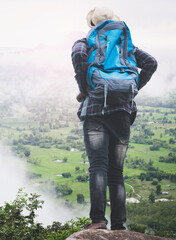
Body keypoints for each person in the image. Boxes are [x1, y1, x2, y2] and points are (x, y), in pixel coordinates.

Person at [71, 7, 158, 230]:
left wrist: (85, 88)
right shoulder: (126, 47)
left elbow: (78, 56)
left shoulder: (85, 42)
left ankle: (98, 220)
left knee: (98, 167)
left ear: (93, 24)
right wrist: (132, 89)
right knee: (116, 172)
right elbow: (151, 63)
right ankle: (119, 225)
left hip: (95, 112)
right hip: (122, 113)